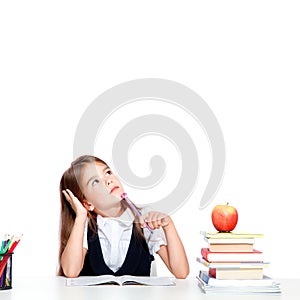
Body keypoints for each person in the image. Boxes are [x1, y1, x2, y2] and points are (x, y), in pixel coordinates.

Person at [58, 155, 189, 279]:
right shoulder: (83, 226)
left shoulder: (145, 219)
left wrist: (169, 226)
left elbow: (181, 272)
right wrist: (80, 216)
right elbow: (71, 271)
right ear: (87, 203)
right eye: (95, 181)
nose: (108, 180)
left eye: (107, 172)